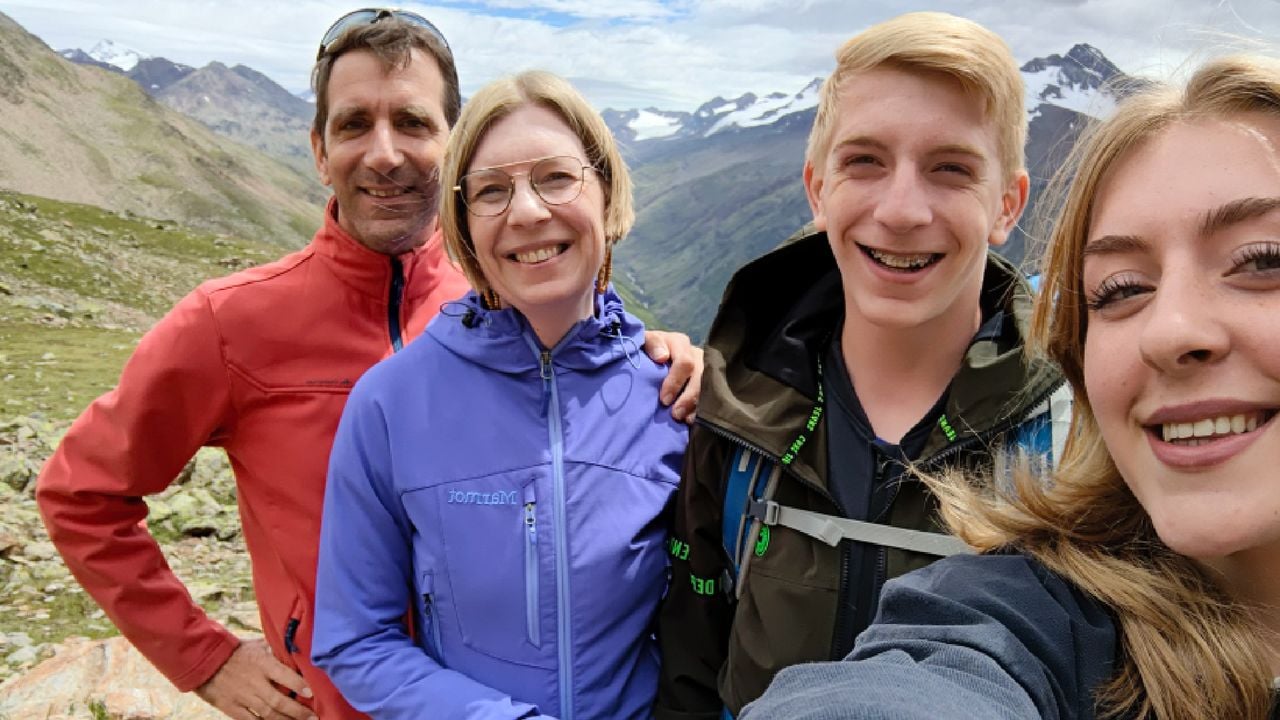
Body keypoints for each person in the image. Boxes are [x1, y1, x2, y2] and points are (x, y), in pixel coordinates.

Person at [35, 11, 702, 720]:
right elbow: (82, 494)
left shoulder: (506, 296)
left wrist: (644, 351)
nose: (384, 154)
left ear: (452, 147)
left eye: (412, 123)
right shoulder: (231, 322)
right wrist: (204, 656)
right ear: (319, 151)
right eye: (354, 125)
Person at [740, 53, 1280, 720]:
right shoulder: (730, 399)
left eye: (1263, 260)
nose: (1167, 331)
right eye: (1122, 290)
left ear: (1007, 206)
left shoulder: (1040, 417)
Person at [655, 11, 1069, 718]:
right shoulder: (733, 418)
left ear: (1007, 205)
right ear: (818, 190)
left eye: (951, 169)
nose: (902, 209)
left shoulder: (1073, 443)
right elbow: (694, 662)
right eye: (864, 161)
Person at [310, 70, 687, 720]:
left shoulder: (677, 397)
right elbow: (355, 639)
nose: (527, 211)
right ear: (463, 222)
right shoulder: (390, 404)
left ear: (605, 192)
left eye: (556, 177)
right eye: (491, 190)